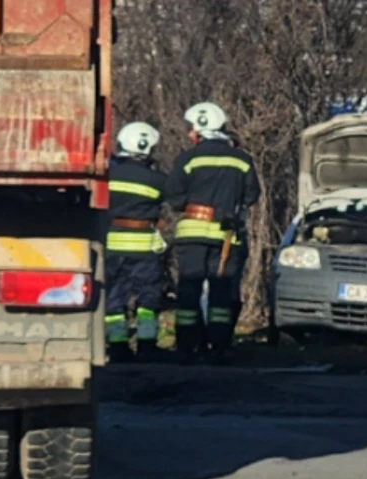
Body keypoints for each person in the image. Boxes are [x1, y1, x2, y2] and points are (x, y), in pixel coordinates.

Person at [164, 102, 261, 364]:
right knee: (221, 291)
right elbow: (252, 194)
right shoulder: (241, 160)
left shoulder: (187, 159)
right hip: (225, 236)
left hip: (192, 236)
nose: (189, 134)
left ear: (200, 131)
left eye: (191, 129)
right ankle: (218, 344)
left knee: (189, 289)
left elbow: (173, 198)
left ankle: (187, 344)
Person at [104, 122, 169, 363]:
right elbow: (174, 201)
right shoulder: (158, 180)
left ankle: (118, 345)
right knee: (148, 299)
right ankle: (147, 345)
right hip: (144, 250)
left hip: (112, 246)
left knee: (113, 298)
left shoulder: (107, 174)